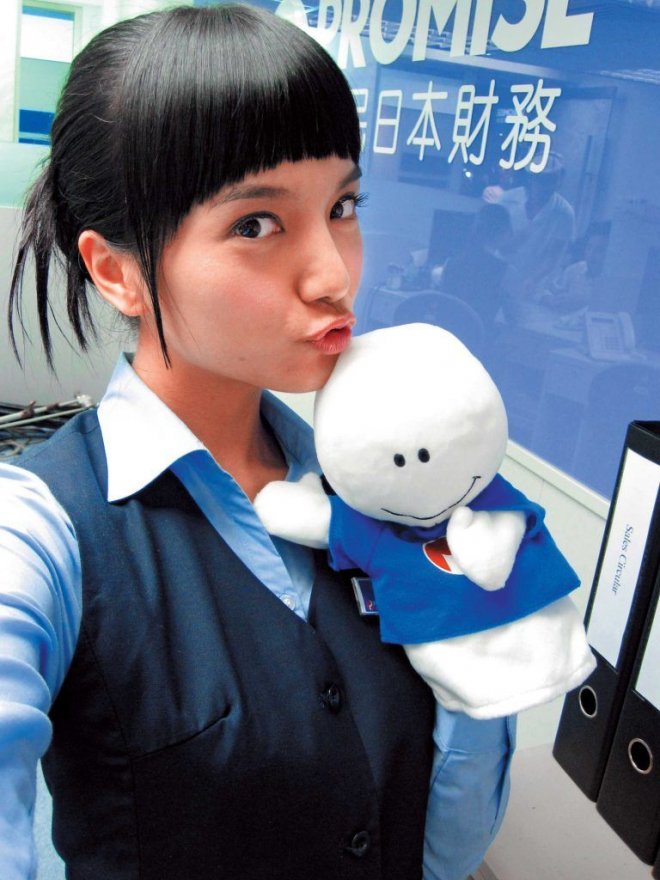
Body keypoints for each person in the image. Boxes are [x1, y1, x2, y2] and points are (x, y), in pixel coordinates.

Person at [0, 6, 515, 879]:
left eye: (342, 206)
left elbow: (447, 847)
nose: (334, 274)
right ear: (119, 272)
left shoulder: (385, 490)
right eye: (255, 225)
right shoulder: (43, 532)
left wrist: (486, 641)